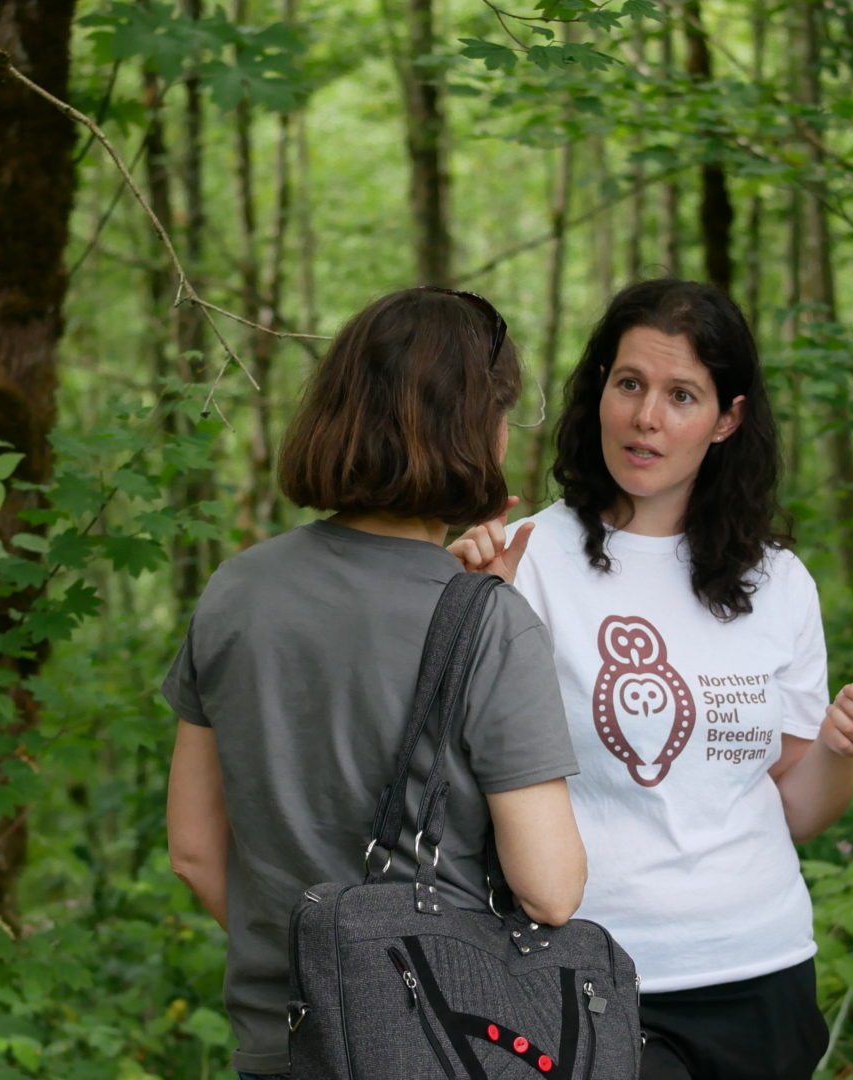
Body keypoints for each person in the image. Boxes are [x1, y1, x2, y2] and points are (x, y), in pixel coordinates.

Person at [450, 279, 853, 1080]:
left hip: (763, 970)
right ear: (599, 393)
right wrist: (460, 608)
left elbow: (799, 808)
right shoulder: (522, 561)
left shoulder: (779, 583)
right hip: (585, 975)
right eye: (630, 385)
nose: (646, 418)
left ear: (728, 419)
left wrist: (838, 746)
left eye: (681, 394)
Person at [164, 286, 588, 1080]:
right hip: (446, 1042)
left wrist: (325, 963)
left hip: (281, 1038)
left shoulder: (236, 591)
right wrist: (483, 611)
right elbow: (551, 889)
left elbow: (192, 850)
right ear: (479, 429)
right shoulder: (490, 625)